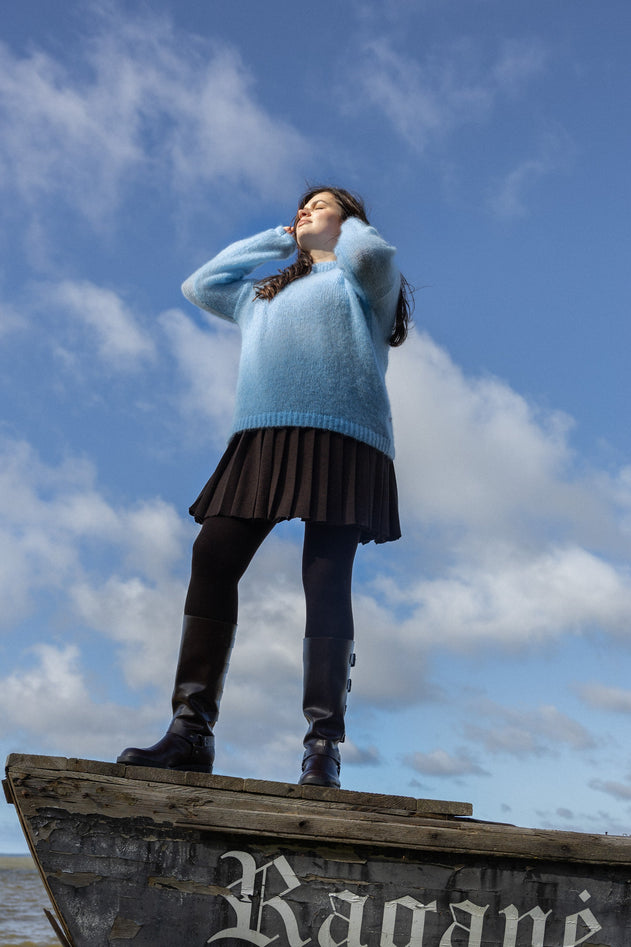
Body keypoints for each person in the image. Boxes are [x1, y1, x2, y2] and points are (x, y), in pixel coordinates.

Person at [117, 186, 412, 788]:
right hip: (262, 435)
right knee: (212, 556)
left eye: (321, 205)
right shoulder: (262, 296)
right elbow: (201, 285)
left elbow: (372, 257)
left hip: (345, 436)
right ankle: (190, 731)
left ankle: (322, 746)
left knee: (325, 579)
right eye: (303, 205)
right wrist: (280, 239)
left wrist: (342, 228)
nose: (306, 210)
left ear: (350, 221)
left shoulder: (364, 285)